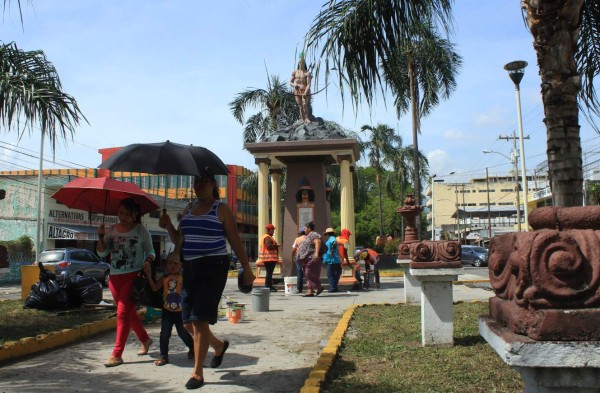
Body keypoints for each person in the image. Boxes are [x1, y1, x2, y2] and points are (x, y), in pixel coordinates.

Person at [160, 174, 255, 390]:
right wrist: (168, 227)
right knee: (187, 323)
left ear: (213, 185)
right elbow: (180, 241)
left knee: (200, 321)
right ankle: (219, 346)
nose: (198, 186)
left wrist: (246, 268)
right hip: (190, 269)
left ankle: (198, 373)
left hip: (214, 267)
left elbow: (235, 240)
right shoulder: (188, 210)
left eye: (203, 182)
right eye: (196, 182)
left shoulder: (221, 209)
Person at [97, 198, 155, 368]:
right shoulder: (112, 230)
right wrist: (100, 237)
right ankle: (145, 339)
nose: (122, 217)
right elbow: (102, 253)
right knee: (129, 314)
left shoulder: (141, 231)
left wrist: (148, 261)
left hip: (133, 277)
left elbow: (151, 251)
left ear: (135, 215)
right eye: (120, 213)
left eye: (127, 214)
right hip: (114, 277)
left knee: (122, 313)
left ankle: (117, 354)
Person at [144, 252, 194, 367]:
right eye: (169, 263)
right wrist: (148, 276)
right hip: (167, 311)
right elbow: (155, 288)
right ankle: (163, 356)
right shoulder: (164, 278)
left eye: (175, 263)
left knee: (183, 333)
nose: (171, 266)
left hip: (181, 312)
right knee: (164, 334)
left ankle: (192, 348)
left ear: (181, 265)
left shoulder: (184, 278)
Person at [296, 221, 323, 297]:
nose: (304, 230)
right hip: (305, 259)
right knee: (307, 274)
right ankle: (310, 290)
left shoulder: (314, 234)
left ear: (309, 228)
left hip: (311, 257)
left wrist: (316, 253)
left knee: (308, 273)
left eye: (305, 228)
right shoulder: (307, 236)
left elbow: (318, 242)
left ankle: (319, 287)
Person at [290, 54, 312, 123]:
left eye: (303, 62)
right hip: (297, 91)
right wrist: (294, 85)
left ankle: (307, 118)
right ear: (298, 63)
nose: (301, 64)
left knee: (304, 104)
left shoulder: (307, 73)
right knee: (300, 106)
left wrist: (306, 92)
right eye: (300, 62)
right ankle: (303, 119)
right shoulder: (295, 73)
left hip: (305, 91)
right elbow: (290, 82)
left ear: (304, 63)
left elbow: (308, 84)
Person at [259, 223, 280, 292]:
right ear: (270, 230)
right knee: (269, 273)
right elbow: (269, 246)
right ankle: (268, 286)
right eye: (273, 230)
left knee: (269, 273)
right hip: (269, 258)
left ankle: (268, 286)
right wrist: (276, 246)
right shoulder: (267, 237)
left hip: (268, 258)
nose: (273, 231)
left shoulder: (266, 237)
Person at [322, 228, 341, 293]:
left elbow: (334, 243)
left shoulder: (332, 238)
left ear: (327, 234)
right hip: (334, 260)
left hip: (332, 260)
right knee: (335, 275)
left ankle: (333, 287)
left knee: (331, 274)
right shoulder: (332, 238)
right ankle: (334, 287)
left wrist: (332, 250)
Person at [291, 230, 306, 294]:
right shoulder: (308, 238)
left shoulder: (297, 239)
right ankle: (310, 288)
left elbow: (294, 249)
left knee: (300, 273)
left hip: (299, 257)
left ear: (300, 234)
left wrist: (292, 257)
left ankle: (299, 289)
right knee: (308, 273)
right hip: (307, 257)